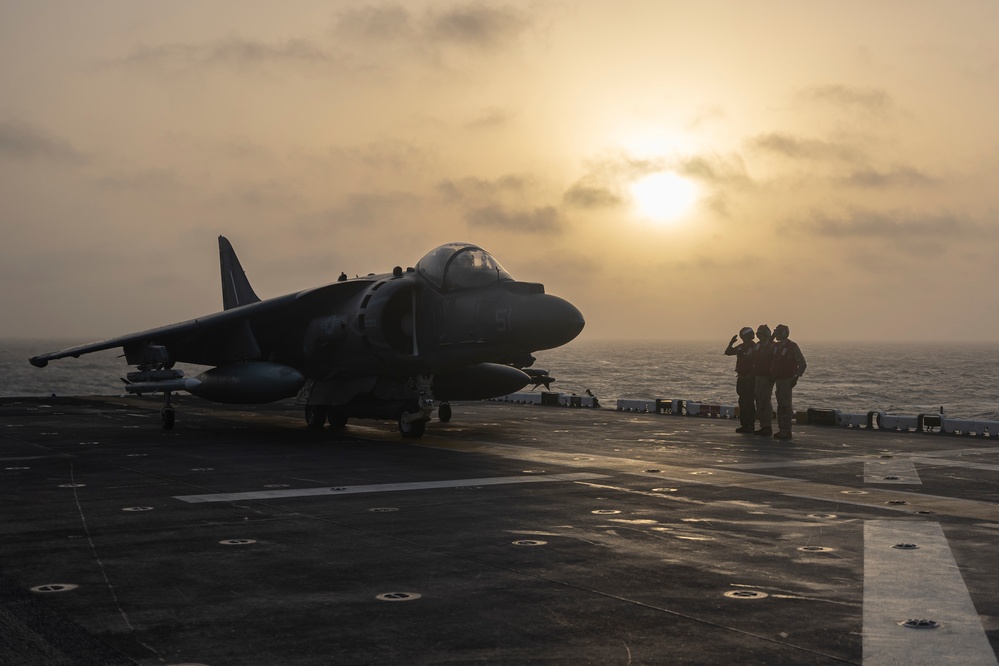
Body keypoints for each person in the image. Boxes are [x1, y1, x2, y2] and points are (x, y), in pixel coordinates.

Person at [770, 324, 807, 440]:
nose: (776, 335)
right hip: (778, 379)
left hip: (787, 379)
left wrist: (796, 377)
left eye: (778, 332)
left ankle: (786, 430)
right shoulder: (776, 346)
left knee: (785, 405)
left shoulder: (792, 347)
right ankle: (782, 429)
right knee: (780, 405)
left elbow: (802, 363)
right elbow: (765, 352)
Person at [724, 327, 756, 433]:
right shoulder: (741, 347)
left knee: (749, 402)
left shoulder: (755, 347)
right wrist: (731, 343)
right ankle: (744, 424)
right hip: (741, 377)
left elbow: (756, 362)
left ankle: (750, 425)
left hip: (750, 378)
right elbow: (728, 352)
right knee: (742, 402)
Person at [752, 324, 775, 436]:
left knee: (765, 401)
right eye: (758, 334)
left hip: (766, 376)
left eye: (761, 334)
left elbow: (767, 354)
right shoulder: (758, 345)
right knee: (759, 400)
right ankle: (763, 425)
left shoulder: (772, 345)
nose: (759, 336)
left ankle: (767, 426)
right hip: (758, 375)